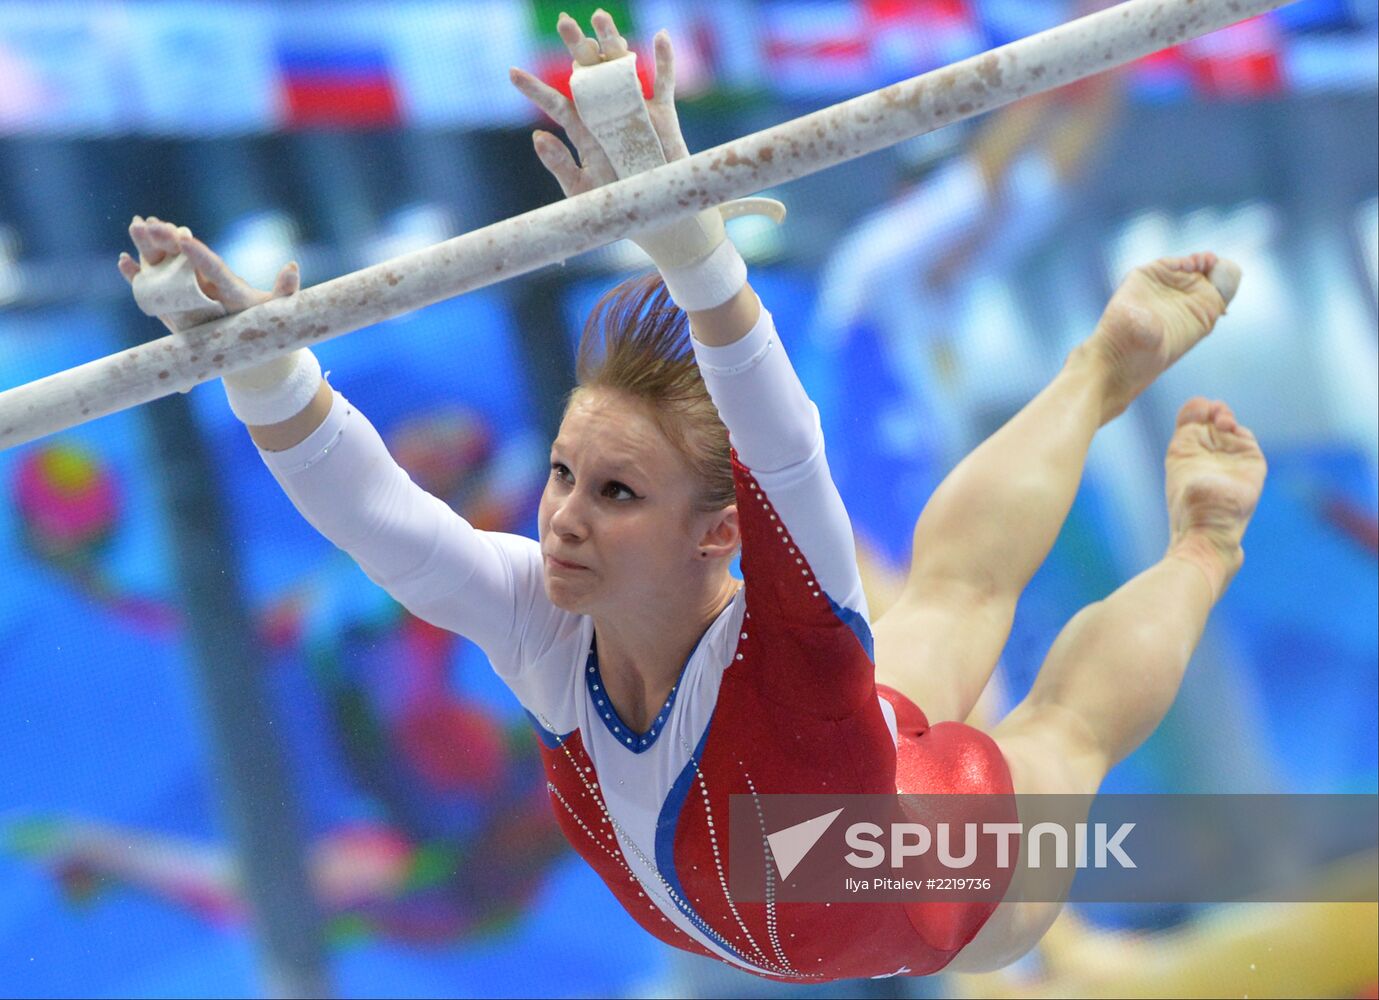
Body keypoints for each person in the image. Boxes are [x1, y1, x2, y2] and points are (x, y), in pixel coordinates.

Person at [117, 11, 1267, 983]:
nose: (559, 513)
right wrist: (258, 366)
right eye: (564, 473)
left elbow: (783, 449)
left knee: (1053, 724)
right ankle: (1095, 377)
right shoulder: (545, 613)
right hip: (824, 805)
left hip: (902, 876)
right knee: (950, 605)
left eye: (615, 492)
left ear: (719, 530)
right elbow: (379, 517)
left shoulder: (791, 623)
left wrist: (693, 252)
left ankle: (1198, 543)